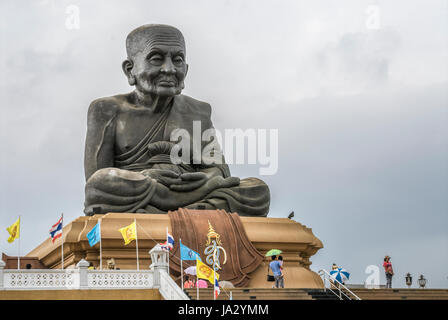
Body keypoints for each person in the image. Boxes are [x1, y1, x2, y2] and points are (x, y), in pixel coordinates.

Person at [83, 24, 270, 217]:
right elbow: (96, 179)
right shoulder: (107, 109)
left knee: (257, 190)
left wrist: (203, 179)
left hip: (190, 191)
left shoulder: (198, 111)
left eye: (178, 60)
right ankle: (195, 212)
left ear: (186, 69)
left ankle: (163, 211)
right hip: (141, 190)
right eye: (156, 59)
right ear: (130, 70)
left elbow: (219, 169)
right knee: (100, 185)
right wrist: (145, 177)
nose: (169, 69)